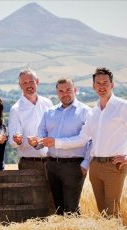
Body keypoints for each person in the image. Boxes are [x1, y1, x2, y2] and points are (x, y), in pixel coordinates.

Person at [43, 67, 127, 217]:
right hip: (95, 167)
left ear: (112, 84)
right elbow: (82, 139)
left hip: (114, 165)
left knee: (112, 213)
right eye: (98, 83)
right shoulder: (94, 111)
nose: (102, 86)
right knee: (103, 212)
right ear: (93, 86)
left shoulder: (123, 106)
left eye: (105, 83)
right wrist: (55, 142)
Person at [28, 78, 90, 215]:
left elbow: (88, 140)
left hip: (74, 166)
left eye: (68, 90)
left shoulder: (85, 111)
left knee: (71, 209)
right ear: (57, 93)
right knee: (58, 209)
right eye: (61, 91)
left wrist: (85, 164)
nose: (65, 94)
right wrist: (35, 143)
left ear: (75, 90)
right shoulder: (49, 113)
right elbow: (41, 137)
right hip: (51, 165)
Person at [8, 69, 53, 173]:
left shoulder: (48, 103)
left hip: (52, 162)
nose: (28, 85)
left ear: (37, 82)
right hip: (29, 164)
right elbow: (13, 142)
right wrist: (17, 140)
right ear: (20, 86)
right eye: (24, 83)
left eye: (31, 81)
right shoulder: (16, 109)